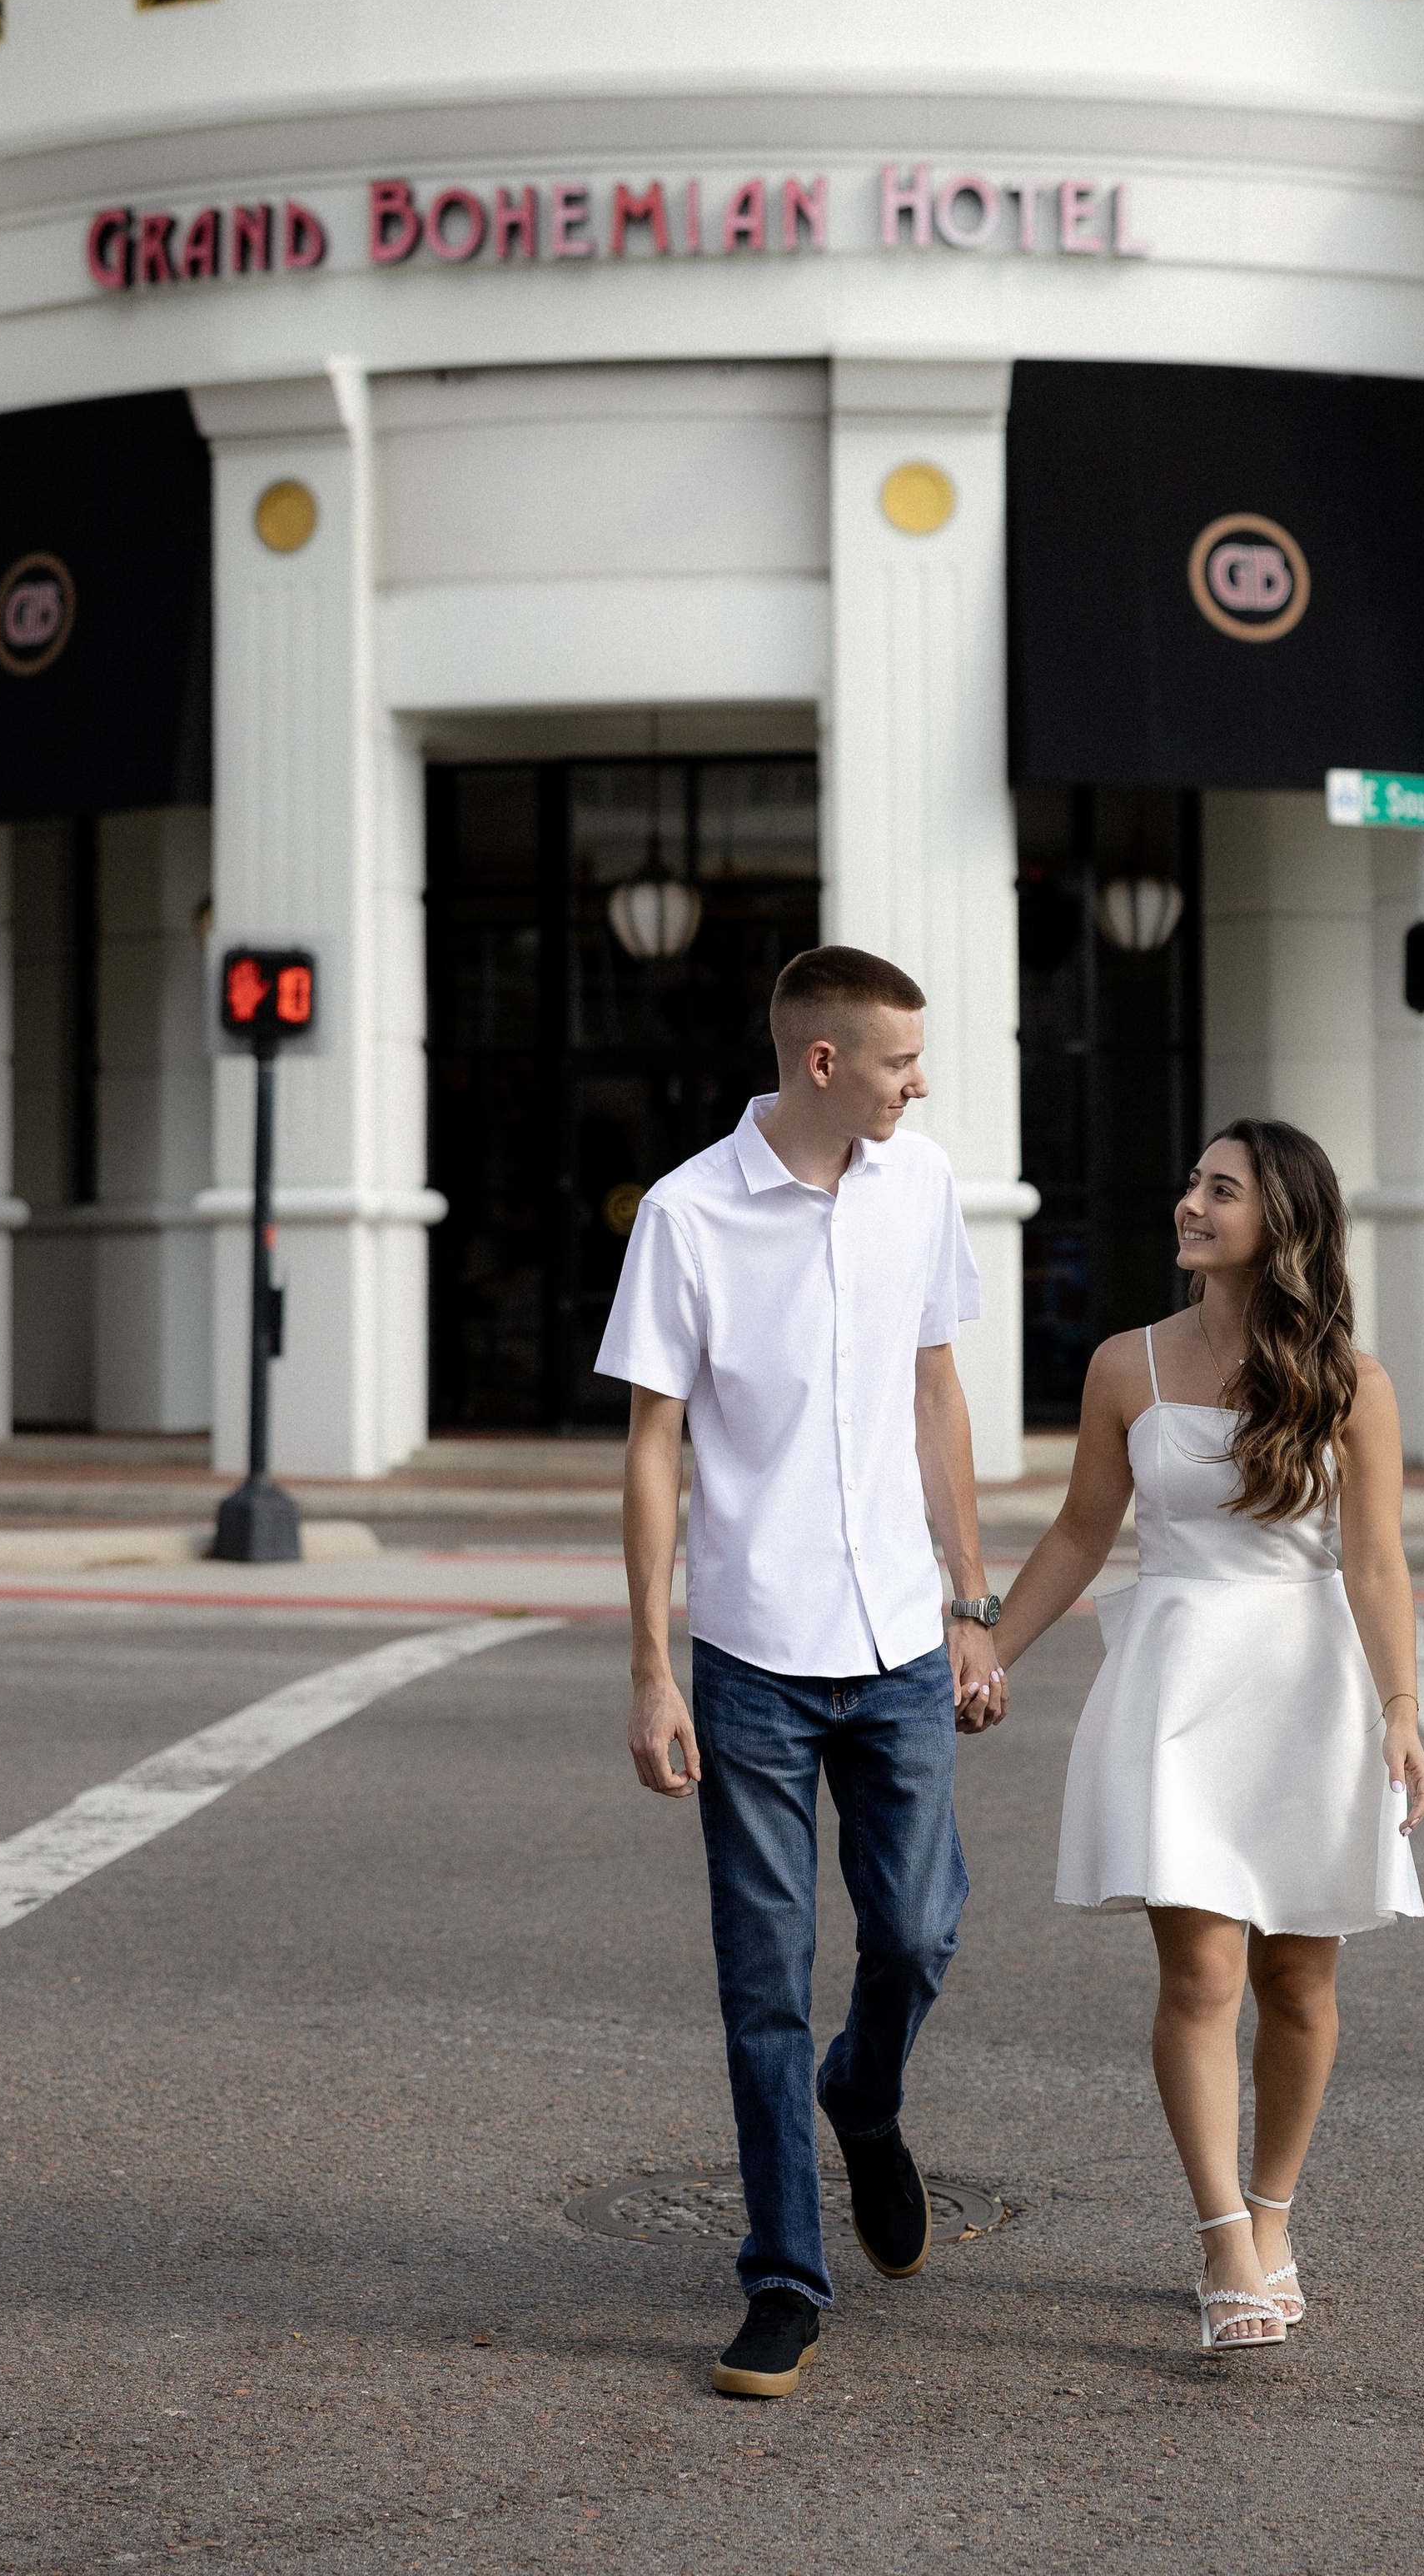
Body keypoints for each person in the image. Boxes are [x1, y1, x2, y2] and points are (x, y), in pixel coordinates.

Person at [599, 944, 1006, 2401]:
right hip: (755, 1652)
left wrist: (972, 1605)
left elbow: (934, 1388)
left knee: (918, 1934)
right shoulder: (690, 1214)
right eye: (900, 1060)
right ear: (823, 1062)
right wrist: (653, 1665)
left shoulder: (924, 1180)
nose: (920, 1081)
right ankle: (782, 2276)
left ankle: (868, 2098)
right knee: (763, 1978)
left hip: (900, 1636)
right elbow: (655, 1444)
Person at [988, 1117, 1424, 2354]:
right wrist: (990, 1647)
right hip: (1177, 1691)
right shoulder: (1126, 1366)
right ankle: (1223, 2239)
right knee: (1202, 1977)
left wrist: (1401, 1711)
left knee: (1299, 1981)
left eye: (1219, 1189)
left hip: (1308, 1692)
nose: (1189, 1203)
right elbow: (1083, 1532)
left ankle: (1276, 2211)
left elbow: (1376, 1561)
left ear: (1275, 1223)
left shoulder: (1353, 1380)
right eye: (1191, 1181)